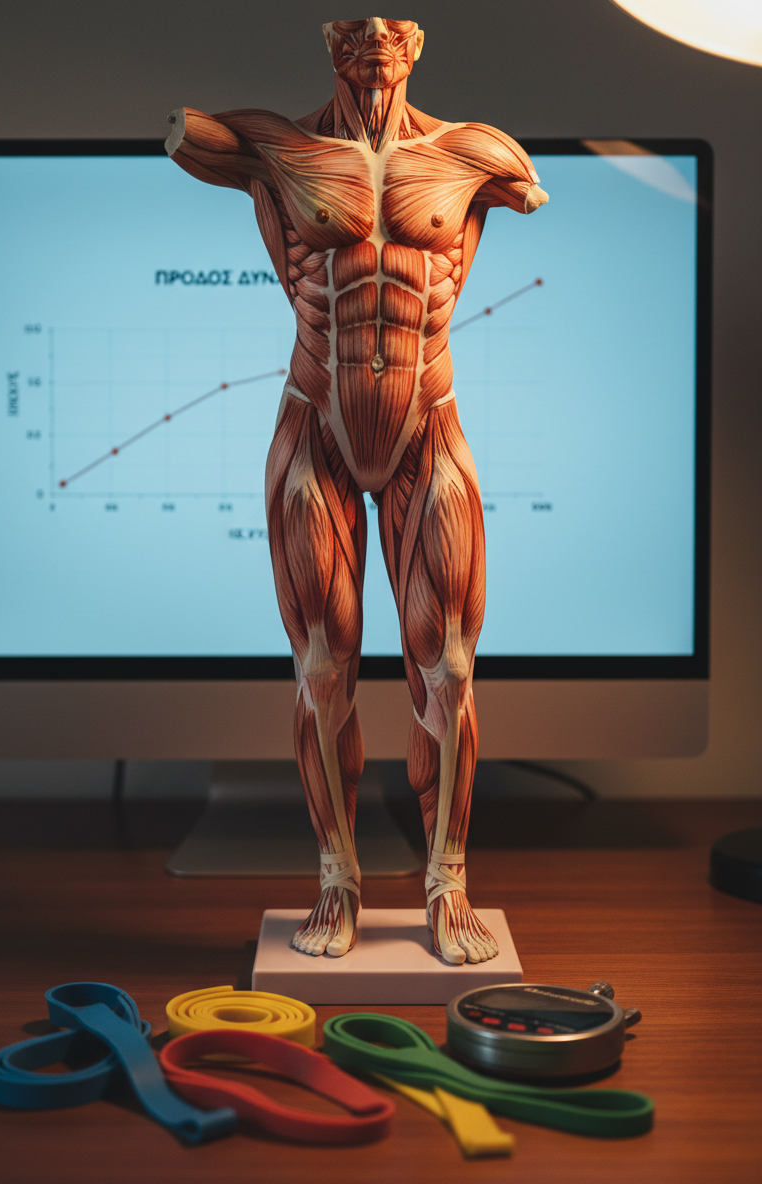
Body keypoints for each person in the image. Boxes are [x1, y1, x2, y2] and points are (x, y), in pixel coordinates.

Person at [166, 17, 548, 964]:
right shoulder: (279, 147)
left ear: (418, 41)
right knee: (322, 668)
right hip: (317, 428)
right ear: (327, 39)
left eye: (393, 24)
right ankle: (337, 880)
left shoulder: (474, 151)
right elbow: (187, 137)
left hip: (428, 424)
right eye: (353, 24)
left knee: (450, 666)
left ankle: (446, 884)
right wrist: (203, 134)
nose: (375, 35)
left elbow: (528, 192)